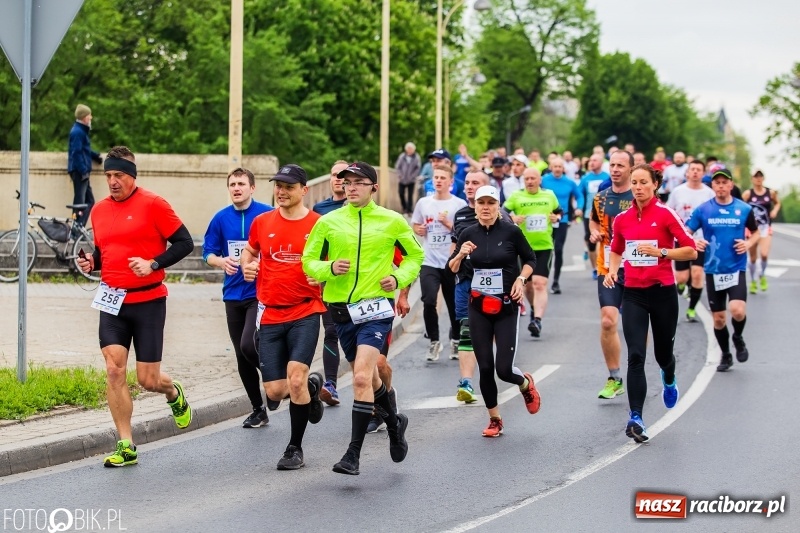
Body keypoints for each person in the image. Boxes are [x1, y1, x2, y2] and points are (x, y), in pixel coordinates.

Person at [76, 146, 194, 467]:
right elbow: (107, 250)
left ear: (132, 176)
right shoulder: (98, 211)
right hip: (112, 300)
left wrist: (154, 262)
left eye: (119, 175)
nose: (113, 182)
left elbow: (185, 243)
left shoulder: (154, 204)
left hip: (148, 301)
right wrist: (92, 262)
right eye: (109, 176)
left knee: (148, 380)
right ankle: (126, 445)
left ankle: (173, 393)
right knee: (114, 369)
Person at [303, 161, 423, 475]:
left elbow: (415, 255)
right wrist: (328, 269)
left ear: (373, 187)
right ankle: (395, 423)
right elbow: (308, 261)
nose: (351, 187)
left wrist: (398, 279)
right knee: (369, 379)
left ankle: (352, 455)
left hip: (375, 310)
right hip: (341, 310)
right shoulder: (328, 222)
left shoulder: (391, 221)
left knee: (358, 377)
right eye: (347, 182)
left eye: (358, 182)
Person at [240, 164, 326, 470]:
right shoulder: (262, 222)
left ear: (303, 190)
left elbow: (330, 265)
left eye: (288, 187)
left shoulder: (319, 225)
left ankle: (294, 448)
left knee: (295, 378)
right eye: (278, 185)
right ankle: (313, 389)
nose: (281, 191)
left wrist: (325, 279)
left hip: (305, 310)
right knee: (275, 391)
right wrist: (247, 266)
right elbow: (249, 253)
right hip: (271, 313)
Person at [604, 164, 697, 443]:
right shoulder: (622, 218)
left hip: (663, 293)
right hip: (633, 293)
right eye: (635, 183)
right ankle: (636, 417)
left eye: (644, 182)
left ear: (655, 185)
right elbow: (617, 249)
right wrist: (611, 270)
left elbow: (691, 249)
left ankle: (669, 377)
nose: (638, 187)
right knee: (635, 355)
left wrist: (662, 252)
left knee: (663, 355)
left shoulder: (665, 214)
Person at [449, 185, 541, 437]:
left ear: (498, 206)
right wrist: (462, 254)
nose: (486, 208)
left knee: (503, 369)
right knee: (486, 367)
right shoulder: (468, 232)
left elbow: (531, 259)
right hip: (478, 306)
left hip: (506, 305)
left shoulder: (511, 231)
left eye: (491, 203)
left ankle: (525, 383)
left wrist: (521, 280)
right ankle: (495, 419)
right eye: (482, 203)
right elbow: (453, 268)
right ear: (475, 207)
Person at [202, 167, 274, 427]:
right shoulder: (220, 218)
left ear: (252, 188)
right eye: (232, 184)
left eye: (241, 184)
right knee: (240, 354)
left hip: (260, 292)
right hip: (232, 293)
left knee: (248, 344)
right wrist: (221, 262)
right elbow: (207, 252)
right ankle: (258, 409)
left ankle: (275, 380)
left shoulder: (267, 213)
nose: (236, 188)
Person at [686, 168, 759, 372]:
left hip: (736, 268)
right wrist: (694, 242)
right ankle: (726, 355)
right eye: (716, 183)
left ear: (730, 185)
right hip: (713, 270)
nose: (720, 186)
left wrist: (748, 244)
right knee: (718, 319)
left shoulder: (743, 209)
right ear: (713, 186)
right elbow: (686, 231)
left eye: (724, 182)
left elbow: (755, 232)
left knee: (737, 310)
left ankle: (737, 336)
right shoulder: (703, 210)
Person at [450, 171, 511, 403]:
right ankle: (465, 382)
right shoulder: (460, 216)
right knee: (466, 331)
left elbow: (515, 255)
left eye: (475, 183)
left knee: (488, 335)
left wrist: (516, 283)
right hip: (466, 283)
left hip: (496, 286)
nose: (469, 186)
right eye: (466, 182)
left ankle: (489, 371)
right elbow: (454, 249)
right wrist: (452, 267)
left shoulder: (504, 218)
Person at [589, 150, 634, 400]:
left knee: (634, 324)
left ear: (631, 168)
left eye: (620, 165)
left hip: (637, 267)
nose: (615, 169)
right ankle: (615, 377)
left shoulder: (640, 197)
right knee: (608, 320)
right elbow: (594, 222)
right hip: (607, 267)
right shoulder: (601, 198)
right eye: (612, 165)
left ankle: (638, 368)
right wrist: (595, 233)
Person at [411, 164, 466, 360]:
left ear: (451, 182)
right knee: (428, 301)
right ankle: (434, 341)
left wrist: (447, 224)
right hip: (429, 260)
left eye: (443, 178)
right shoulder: (424, 203)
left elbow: (464, 232)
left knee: (453, 304)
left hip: (451, 262)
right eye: (436, 177)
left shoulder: (458, 204)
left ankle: (456, 341)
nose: (439, 180)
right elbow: (416, 224)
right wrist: (418, 230)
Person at [503, 167, 562, 337]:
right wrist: (512, 218)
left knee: (539, 283)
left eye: (532, 178)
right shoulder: (516, 196)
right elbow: (501, 212)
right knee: (527, 286)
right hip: (522, 247)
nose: (529, 181)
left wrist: (556, 217)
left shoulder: (549, 195)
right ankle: (535, 308)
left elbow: (559, 211)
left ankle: (537, 320)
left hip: (544, 246)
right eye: (526, 178)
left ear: (539, 180)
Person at [313, 160, 350, 405]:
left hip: (359, 285)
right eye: (335, 175)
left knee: (355, 337)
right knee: (331, 332)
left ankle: (372, 389)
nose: (338, 179)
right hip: (329, 282)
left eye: (343, 176)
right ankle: (331, 384)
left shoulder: (361, 208)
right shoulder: (320, 209)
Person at [667, 159, 714, 321]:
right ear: (687, 173)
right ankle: (681, 285)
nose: (695, 172)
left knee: (697, 273)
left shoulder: (709, 194)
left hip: (701, 240)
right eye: (692, 169)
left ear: (703, 173)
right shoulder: (678, 192)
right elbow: (668, 212)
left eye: (698, 169)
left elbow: (714, 216)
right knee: (681, 277)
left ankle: (692, 309)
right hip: (681, 238)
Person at [542, 157, 584, 294]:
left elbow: (579, 196)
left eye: (560, 166)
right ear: (551, 167)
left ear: (563, 169)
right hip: (546, 220)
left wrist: (579, 208)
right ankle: (542, 279)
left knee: (558, 249)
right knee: (545, 250)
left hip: (562, 220)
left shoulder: (569, 182)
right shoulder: (544, 181)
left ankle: (555, 281)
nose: (558, 169)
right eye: (555, 166)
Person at [742, 168, 780, 293]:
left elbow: (777, 203)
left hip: (765, 228)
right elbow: (741, 207)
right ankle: (753, 280)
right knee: (753, 258)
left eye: (760, 176)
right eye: (756, 176)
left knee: (764, 254)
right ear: (752, 179)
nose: (758, 179)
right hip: (752, 229)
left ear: (763, 178)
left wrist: (774, 211)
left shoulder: (770, 193)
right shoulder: (748, 194)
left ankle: (762, 275)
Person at [67, 104, 102, 228]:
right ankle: (76, 228)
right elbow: (75, 152)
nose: (91, 117)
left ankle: (78, 227)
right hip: (79, 171)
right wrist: (83, 170)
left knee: (88, 201)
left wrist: (95, 156)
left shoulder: (80, 131)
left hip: (81, 171)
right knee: (80, 202)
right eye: (89, 115)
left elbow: (83, 150)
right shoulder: (77, 132)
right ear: (83, 117)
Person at [578, 154, 610, 279]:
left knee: (604, 239)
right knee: (591, 241)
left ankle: (604, 264)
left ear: (601, 162)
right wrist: (579, 208)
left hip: (605, 213)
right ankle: (594, 268)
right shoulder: (585, 178)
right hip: (589, 214)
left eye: (594, 160)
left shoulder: (607, 177)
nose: (591, 162)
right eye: (590, 160)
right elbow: (580, 194)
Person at [395, 142, 421, 215]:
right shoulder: (402, 156)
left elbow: (418, 168)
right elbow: (398, 167)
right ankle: (404, 208)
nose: (410, 150)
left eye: (411, 149)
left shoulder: (416, 157)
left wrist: (413, 176)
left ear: (414, 149)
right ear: (406, 149)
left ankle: (409, 210)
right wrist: (400, 175)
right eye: (408, 148)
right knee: (401, 193)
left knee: (410, 195)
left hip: (411, 180)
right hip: (402, 179)